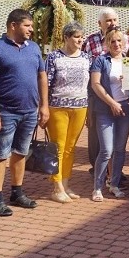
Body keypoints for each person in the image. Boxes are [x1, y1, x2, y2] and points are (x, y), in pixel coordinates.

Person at [0, 9, 49, 216]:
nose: (31, 29)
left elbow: (42, 77)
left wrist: (44, 106)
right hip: (5, 112)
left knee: (21, 152)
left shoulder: (34, 48)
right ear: (13, 25)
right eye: (27, 25)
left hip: (30, 111)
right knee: (1, 154)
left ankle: (17, 193)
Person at [82, 7, 129, 175]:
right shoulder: (90, 41)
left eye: (114, 20)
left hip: (122, 95)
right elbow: (85, 67)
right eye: (108, 20)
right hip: (97, 93)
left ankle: (115, 172)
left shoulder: (126, 39)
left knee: (118, 141)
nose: (112, 23)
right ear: (100, 23)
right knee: (98, 136)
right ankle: (99, 170)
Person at [44, 22, 90, 203]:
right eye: (76, 37)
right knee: (58, 147)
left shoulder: (87, 58)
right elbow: (46, 84)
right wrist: (44, 108)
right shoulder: (54, 57)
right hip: (58, 107)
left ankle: (65, 183)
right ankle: (57, 187)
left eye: (81, 36)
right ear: (66, 37)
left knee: (71, 148)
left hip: (80, 106)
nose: (80, 40)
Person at [90, 28, 129, 202]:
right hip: (106, 109)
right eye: (113, 41)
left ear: (124, 43)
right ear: (107, 43)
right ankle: (97, 187)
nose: (116, 44)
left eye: (119, 41)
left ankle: (114, 184)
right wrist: (112, 103)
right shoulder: (101, 61)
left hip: (125, 108)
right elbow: (95, 84)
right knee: (106, 150)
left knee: (120, 149)